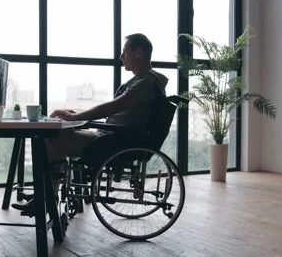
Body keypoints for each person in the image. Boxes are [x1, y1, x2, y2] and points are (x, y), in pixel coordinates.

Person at [12, 33, 169, 214]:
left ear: (139, 52)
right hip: (113, 137)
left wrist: (74, 117)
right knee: (51, 138)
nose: (121, 57)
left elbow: (111, 108)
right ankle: (46, 196)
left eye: (124, 52)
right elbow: (114, 110)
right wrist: (77, 115)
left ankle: (46, 197)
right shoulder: (148, 81)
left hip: (111, 142)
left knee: (49, 137)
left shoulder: (145, 83)